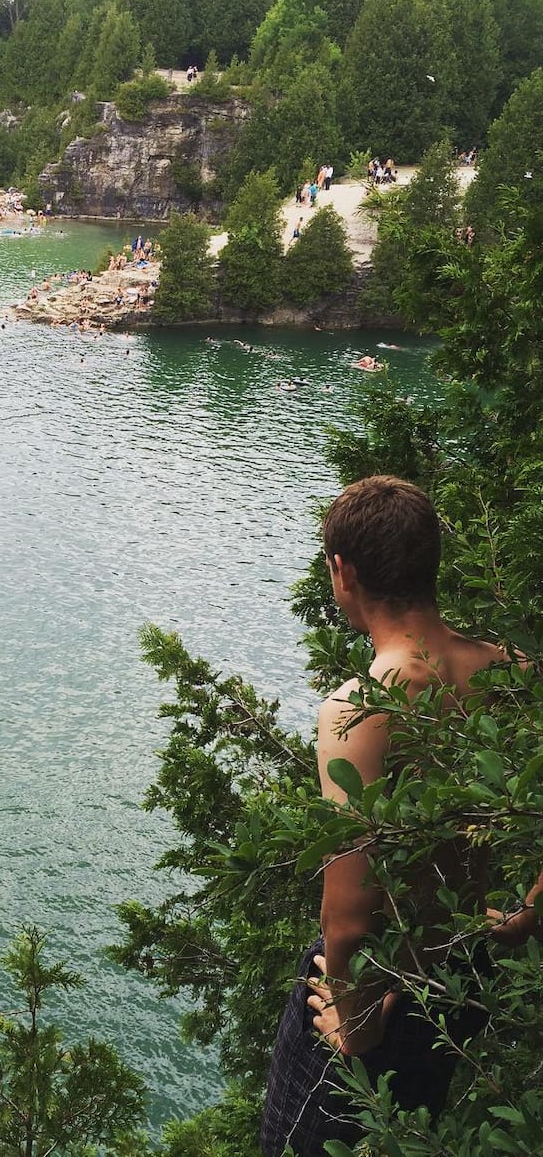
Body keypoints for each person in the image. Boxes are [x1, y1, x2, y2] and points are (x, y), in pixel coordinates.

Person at [260, 476, 541, 1156]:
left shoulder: (360, 710)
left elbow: (349, 915)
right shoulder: (516, 673)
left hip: (376, 994)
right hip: (462, 971)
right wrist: (530, 909)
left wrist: (355, 1024)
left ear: (343, 571)